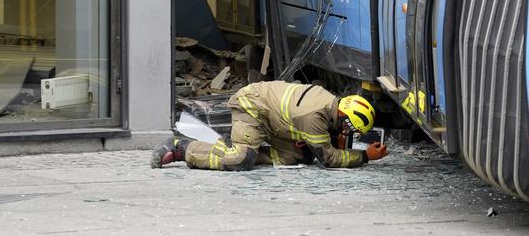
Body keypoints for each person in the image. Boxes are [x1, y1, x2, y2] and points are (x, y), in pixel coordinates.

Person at [152, 80, 388, 170]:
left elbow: (312, 146)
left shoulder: (328, 103)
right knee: (241, 160)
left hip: (273, 119)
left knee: (298, 156)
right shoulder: (314, 116)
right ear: (344, 118)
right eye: (351, 129)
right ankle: (183, 148)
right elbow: (327, 159)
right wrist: (365, 156)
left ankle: (235, 145)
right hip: (253, 106)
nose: (349, 134)